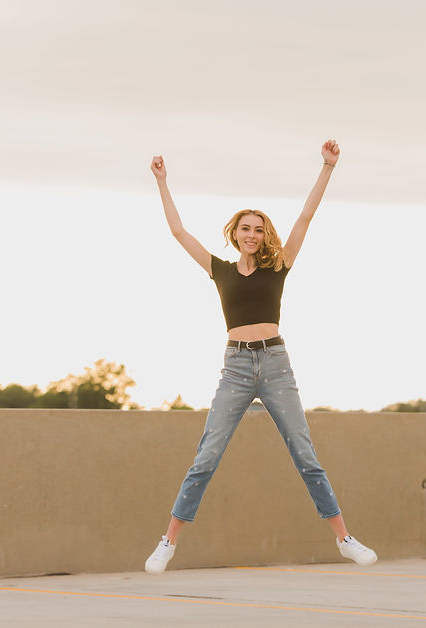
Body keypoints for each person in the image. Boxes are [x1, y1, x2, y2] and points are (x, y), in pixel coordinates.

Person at [144, 139, 377, 575]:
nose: (252, 234)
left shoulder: (280, 265)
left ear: (264, 235)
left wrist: (326, 167)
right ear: (235, 233)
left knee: (305, 455)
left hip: (275, 364)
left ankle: (344, 539)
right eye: (245, 228)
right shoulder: (220, 270)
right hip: (234, 367)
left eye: (258, 229)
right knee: (206, 457)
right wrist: (162, 182)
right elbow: (179, 233)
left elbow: (306, 216)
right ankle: (168, 542)